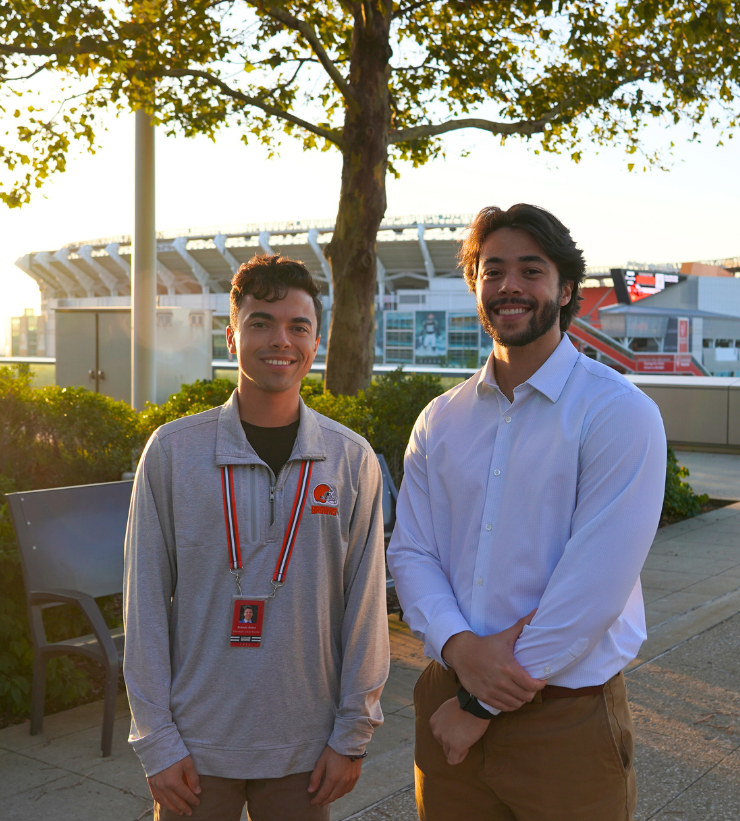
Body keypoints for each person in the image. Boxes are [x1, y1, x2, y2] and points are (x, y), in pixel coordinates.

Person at [387, 204, 667, 821]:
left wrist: (481, 704)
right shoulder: (442, 419)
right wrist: (460, 651)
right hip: (445, 698)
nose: (509, 285)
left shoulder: (618, 412)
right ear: (476, 286)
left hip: (563, 717)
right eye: (493, 270)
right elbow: (412, 552)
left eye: (530, 270)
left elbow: (594, 585)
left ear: (566, 288)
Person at [124, 253, 390, 821]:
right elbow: (143, 604)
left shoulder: (349, 460)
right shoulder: (174, 453)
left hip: (306, 748)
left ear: (316, 341)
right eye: (261, 322)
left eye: (299, 326)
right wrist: (157, 741)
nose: (281, 340)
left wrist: (353, 733)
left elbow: (366, 608)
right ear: (232, 335)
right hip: (195, 749)